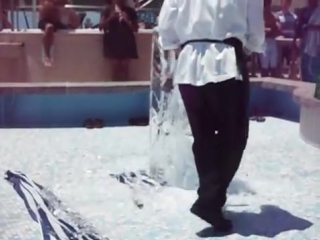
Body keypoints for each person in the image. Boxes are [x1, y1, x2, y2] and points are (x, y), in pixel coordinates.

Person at [158, 0, 264, 232]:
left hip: (189, 63)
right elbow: (256, 32)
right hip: (227, 59)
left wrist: (182, 47)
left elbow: (165, 26)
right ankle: (210, 200)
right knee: (233, 135)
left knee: (203, 136)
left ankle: (210, 197)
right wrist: (245, 48)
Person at [99, 0, 139, 81]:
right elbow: (101, 27)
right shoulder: (107, 10)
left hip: (127, 41)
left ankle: (126, 90)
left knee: (125, 68)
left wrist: (127, 20)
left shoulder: (130, 11)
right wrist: (111, 18)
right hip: (112, 41)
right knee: (115, 67)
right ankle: (115, 90)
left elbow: (136, 28)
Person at [38, 0, 80, 67]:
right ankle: (47, 56)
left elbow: (66, 2)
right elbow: (46, 3)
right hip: (45, 21)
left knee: (73, 26)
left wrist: (55, 3)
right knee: (49, 28)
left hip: (56, 22)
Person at [294, 0, 320, 82]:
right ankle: (305, 91)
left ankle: (318, 92)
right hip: (306, 46)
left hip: (317, 46)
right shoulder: (304, 12)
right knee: (305, 70)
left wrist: (312, 27)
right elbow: (298, 29)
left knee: (317, 71)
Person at [260, 0, 282, 77]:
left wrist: (273, 28)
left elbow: (278, 29)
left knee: (273, 60)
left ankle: (274, 74)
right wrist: (266, 29)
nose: (267, 7)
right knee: (264, 60)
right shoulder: (259, 16)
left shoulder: (274, 16)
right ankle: (264, 74)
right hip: (263, 40)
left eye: (268, 4)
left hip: (272, 40)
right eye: (265, 4)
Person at [276, 0, 297, 76]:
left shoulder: (294, 17)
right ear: (281, 3)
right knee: (279, 60)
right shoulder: (277, 15)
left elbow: (296, 28)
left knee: (292, 59)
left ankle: (292, 75)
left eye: (287, 3)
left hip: (291, 41)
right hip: (281, 42)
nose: (285, 5)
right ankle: (279, 75)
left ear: (290, 4)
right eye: (283, 2)